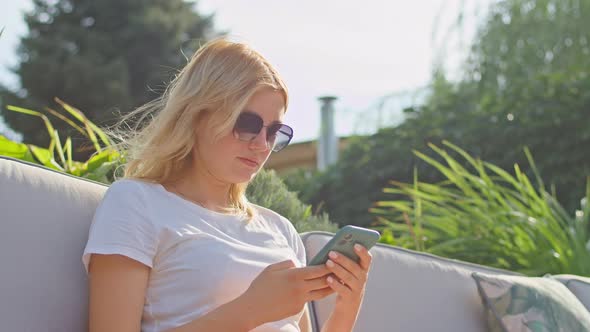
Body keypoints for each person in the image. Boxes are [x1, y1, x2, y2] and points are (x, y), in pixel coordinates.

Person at [82, 37, 373, 332]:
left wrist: (347, 307)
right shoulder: (137, 202)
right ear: (197, 116)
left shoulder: (279, 229)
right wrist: (251, 310)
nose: (262, 145)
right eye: (246, 124)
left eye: (274, 132)